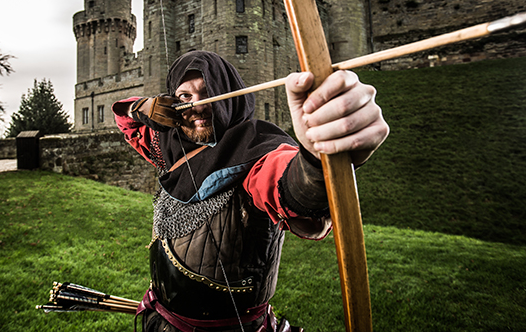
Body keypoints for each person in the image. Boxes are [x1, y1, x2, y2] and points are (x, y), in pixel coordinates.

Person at [111, 51, 389, 332]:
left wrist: (318, 158)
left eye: (208, 94)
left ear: (229, 95)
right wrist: (143, 107)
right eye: (184, 97)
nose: (196, 106)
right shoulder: (173, 146)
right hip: (161, 322)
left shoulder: (255, 151)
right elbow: (128, 123)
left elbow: (293, 187)